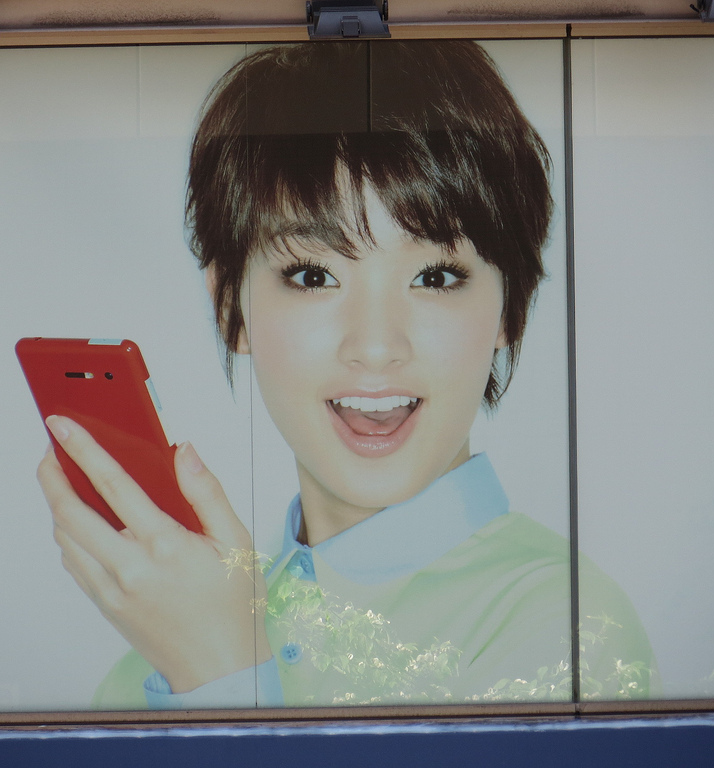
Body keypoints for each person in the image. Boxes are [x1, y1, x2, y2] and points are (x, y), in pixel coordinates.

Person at [37, 40, 656, 710]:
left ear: (512, 305)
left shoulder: (567, 629)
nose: (376, 347)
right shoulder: (164, 649)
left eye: (436, 276)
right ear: (230, 305)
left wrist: (221, 674)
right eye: (313, 275)